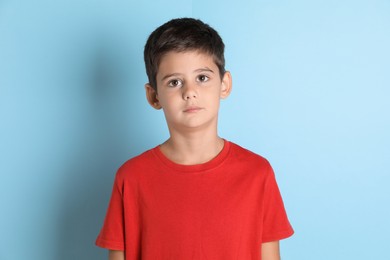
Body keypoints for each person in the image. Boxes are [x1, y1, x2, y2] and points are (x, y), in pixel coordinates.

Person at [95, 18, 294, 260]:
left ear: (224, 84)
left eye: (202, 78)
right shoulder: (131, 178)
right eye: (174, 82)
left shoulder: (257, 173)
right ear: (154, 96)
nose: (189, 92)